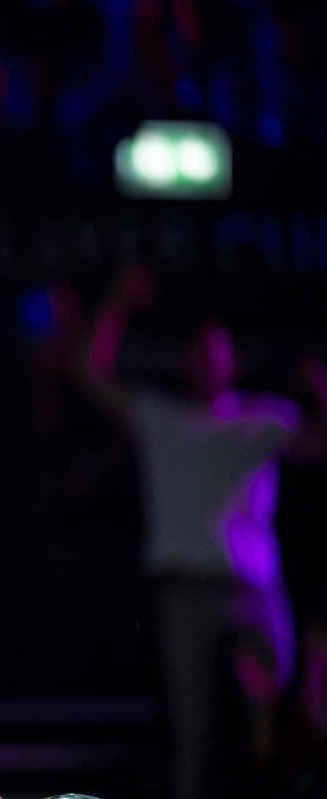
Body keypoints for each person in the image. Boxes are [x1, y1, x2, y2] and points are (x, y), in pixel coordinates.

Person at [84, 265, 327, 799]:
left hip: (251, 587)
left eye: (216, 349)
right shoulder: (161, 416)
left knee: (269, 687)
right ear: (184, 362)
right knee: (191, 730)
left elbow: (318, 444)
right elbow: (93, 373)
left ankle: (260, 734)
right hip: (183, 586)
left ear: (232, 360)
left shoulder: (262, 419)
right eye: (197, 350)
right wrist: (117, 304)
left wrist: (321, 388)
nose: (206, 358)